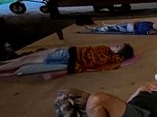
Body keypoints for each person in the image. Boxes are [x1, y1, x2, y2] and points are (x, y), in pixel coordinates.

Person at [0, 44, 134, 76]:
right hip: (68, 55)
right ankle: (5, 64)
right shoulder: (109, 57)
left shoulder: (106, 53)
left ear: (120, 54)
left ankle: (4, 66)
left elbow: (90, 63)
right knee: (26, 59)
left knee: (26, 60)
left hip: (68, 56)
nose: (114, 45)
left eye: (117, 46)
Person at [85, 21, 157, 35]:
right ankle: (107, 24)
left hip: (129, 29)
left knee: (112, 28)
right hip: (130, 25)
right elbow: (139, 21)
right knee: (116, 25)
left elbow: (154, 33)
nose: (156, 24)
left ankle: (94, 29)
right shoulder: (150, 23)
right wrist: (133, 23)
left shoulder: (150, 30)